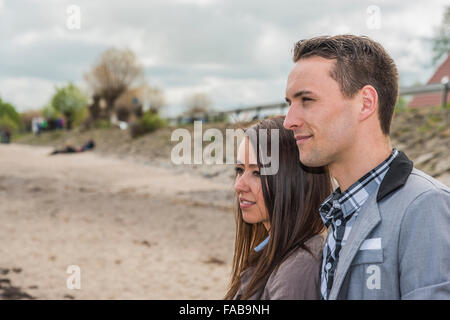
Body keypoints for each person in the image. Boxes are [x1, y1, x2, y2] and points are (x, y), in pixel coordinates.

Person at [283, 35, 450, 300]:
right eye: (289, 103)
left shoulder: (425, 206)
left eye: (307, 100)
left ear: (365, 103)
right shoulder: (338, 213)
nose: (289, 121)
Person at [224, 116, 333, 300]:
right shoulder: (271, 253)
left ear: (291, 180)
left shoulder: (297, 268)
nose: (239, 186)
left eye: (257, 172)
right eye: (240, 170)